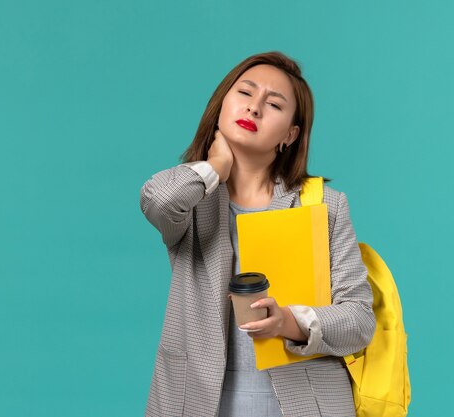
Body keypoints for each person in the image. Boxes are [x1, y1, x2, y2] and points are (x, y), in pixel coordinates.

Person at [140, 51, 375, 417]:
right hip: (198, 401)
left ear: (290, 134)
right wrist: (215, 166)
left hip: (305, 403)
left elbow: (359, 321)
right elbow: (158, 201)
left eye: (274, 104)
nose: (254, 108)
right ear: (221, 105)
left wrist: (290, 322)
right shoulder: (192, 198)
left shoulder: (324, 206)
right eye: (245, 93)